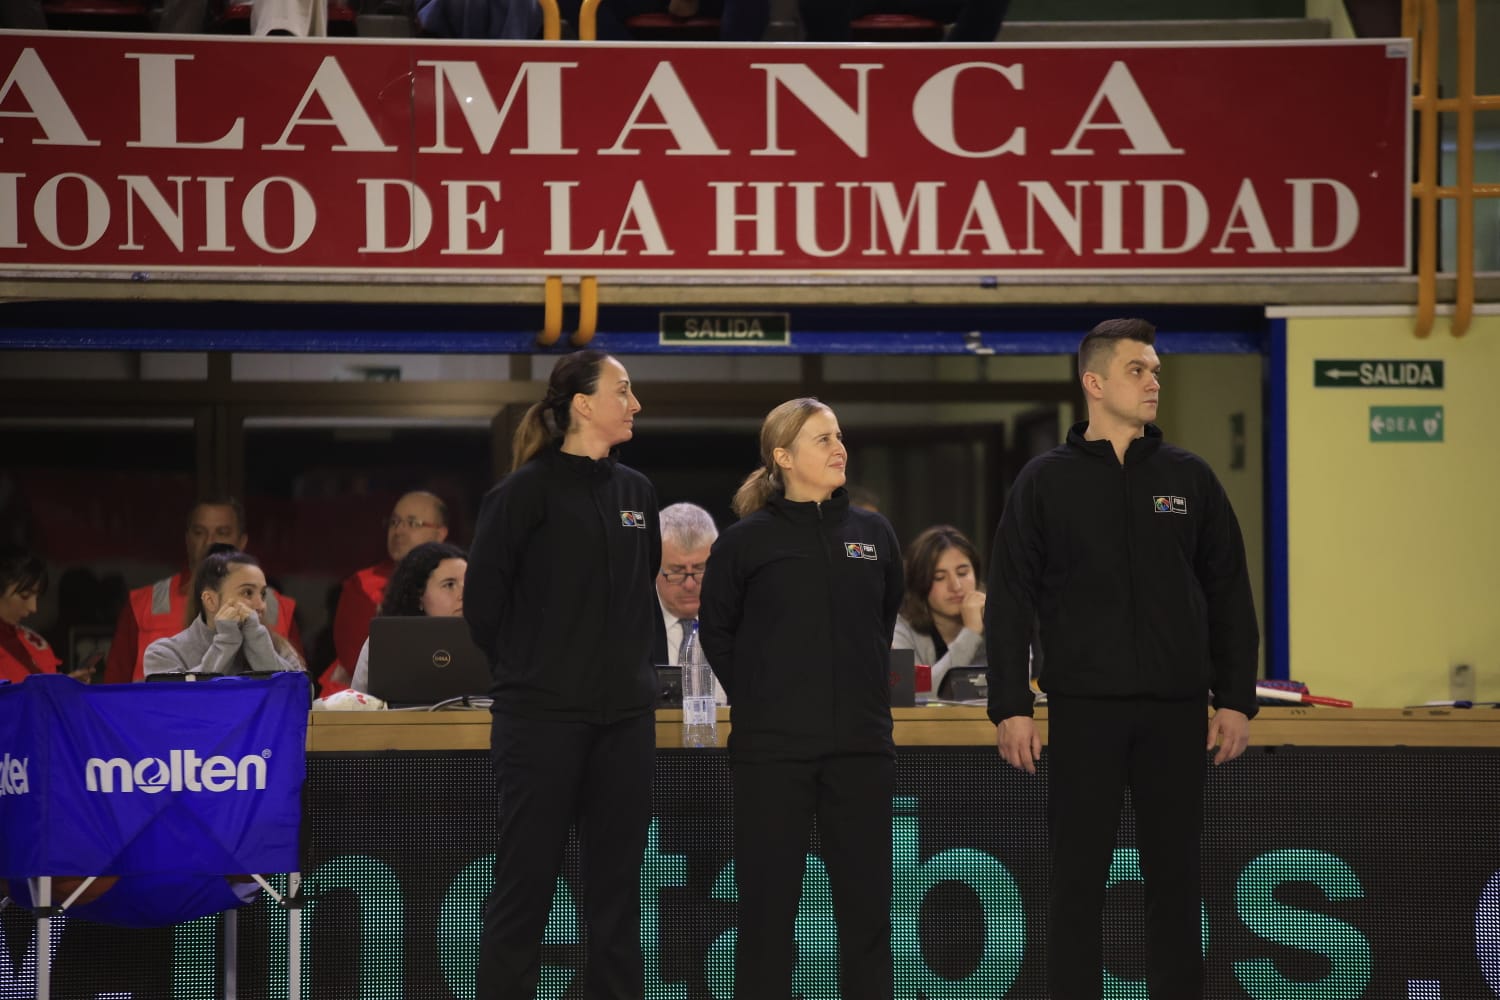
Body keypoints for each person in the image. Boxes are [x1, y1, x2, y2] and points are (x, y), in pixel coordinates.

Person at [985, 317, 1259, 1000]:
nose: (1154, 382)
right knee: (1076, 882)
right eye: (1139, 369)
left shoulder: (1189, 478)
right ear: (1095, 382)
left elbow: (1230, 592)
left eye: (1157, 370)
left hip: (1175, 712)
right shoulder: (1043, 482)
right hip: (1084, 711)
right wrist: (1011, 706)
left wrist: (1234, 698)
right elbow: (1009, 600)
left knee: (1176, 881)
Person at [464, 349, 662, 1000]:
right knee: (525, 887)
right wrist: (533, 675)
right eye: (623, 391)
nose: (635, 404)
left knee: (617, 896)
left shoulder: (638, 492)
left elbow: (639, 599)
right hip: (540, 722)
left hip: (624, 723)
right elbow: (484, 608)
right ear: (583, 404)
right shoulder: (522, 493)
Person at [698, 397, 903, 1000]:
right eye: (822, 439)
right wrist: (766, 701)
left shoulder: (874, 533)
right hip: (773, 754)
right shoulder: (744, 543)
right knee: (767, 919)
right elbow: (719, 634)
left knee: (867, 918)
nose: (839, 447)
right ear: (783, 456)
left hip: (861, 750)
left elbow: (880, 621)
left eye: (839, 435)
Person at [104, 498, 303, 684]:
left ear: (242, 541)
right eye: (199, 532)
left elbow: (301, 700)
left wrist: (257, 638)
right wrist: (226, 641)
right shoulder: (149, 616)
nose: (210, 542)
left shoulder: (280, 629)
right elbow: (116, 688)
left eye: (222, 532)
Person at [325, 490, 450, 688]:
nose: (398, 531)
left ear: (440, 533)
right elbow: (356, 660)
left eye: (412, 523)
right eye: (394, 522)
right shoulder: (363, 585)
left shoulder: (458, 579)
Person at [143, 546, 306, 676]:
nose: (261, 605)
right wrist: (226, 641)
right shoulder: (163, 653)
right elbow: (183, 705)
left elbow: (300, 698)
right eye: (247, 592)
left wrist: (257, 642)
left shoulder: (280, 648)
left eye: (263, 594)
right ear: (210, 600)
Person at [349, 541, 468, 695]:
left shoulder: (491, 639)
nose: (464, 595)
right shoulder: (384, 642)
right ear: (418, 595)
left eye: (469, 583)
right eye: (449, 584)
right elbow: (359, 709)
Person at [892, 524, 986, 697]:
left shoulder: (999, 620)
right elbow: (914, 693)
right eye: (939, 577)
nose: (956, 586)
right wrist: (971, 634)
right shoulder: (900, 631)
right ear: (920, 583)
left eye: (963, 573)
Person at [653, 501, 726, 703]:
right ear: (653, 568)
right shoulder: (631, 627)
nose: (690, 585)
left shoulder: (742, 622)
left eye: (701, 569)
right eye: (676, 572)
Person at [0, 544, 61, 685]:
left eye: (37, 597)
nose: (33, 608)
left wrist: (64, 686)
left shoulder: (36, 644)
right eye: (25, 596)